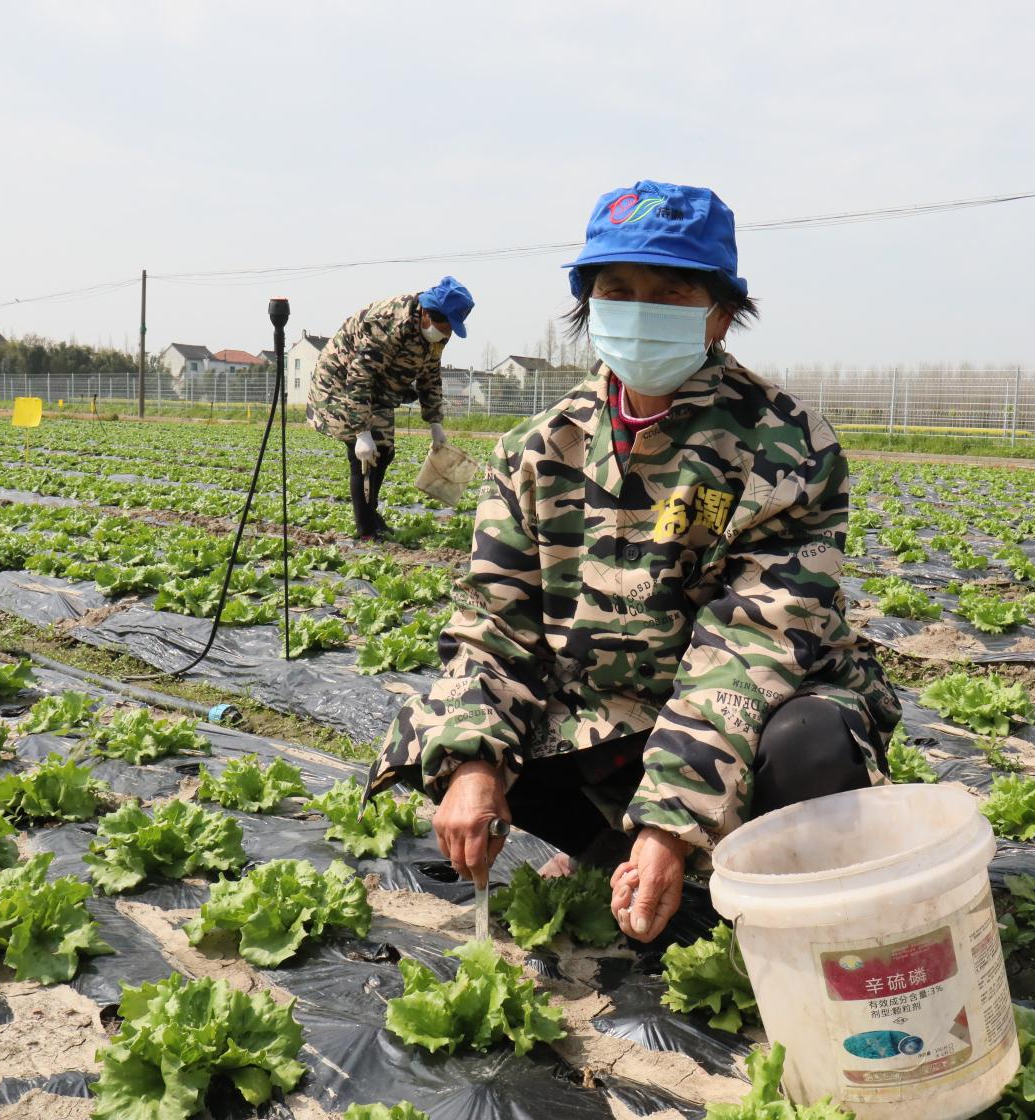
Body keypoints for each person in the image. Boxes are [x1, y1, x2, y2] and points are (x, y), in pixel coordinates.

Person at [368, 181, 899, 942]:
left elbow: (752, 647)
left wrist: (670, 821)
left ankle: (769, 893)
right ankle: (603, 850)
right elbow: (495, 623)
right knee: (449, 733)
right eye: (619, 290)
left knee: (808, 747)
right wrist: (474, 765)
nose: (641, 308)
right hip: (612, 718)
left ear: (718, 312)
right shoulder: (538, 448)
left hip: (761, 705)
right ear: (590, 305)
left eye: (671, 291)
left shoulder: (785, 444)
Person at [307, 276, 473, 539]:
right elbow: (359, 375)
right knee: (362, 453)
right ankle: (366, 529)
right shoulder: (389, 323)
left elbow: (430, 375)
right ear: (428, 315)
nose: (447, 333)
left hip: (379, 388)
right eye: (446, 326)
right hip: (340, 383)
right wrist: (361, 433)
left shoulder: (438, 333)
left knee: (383, 451)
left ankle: (371, 515)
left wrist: (435, 423)